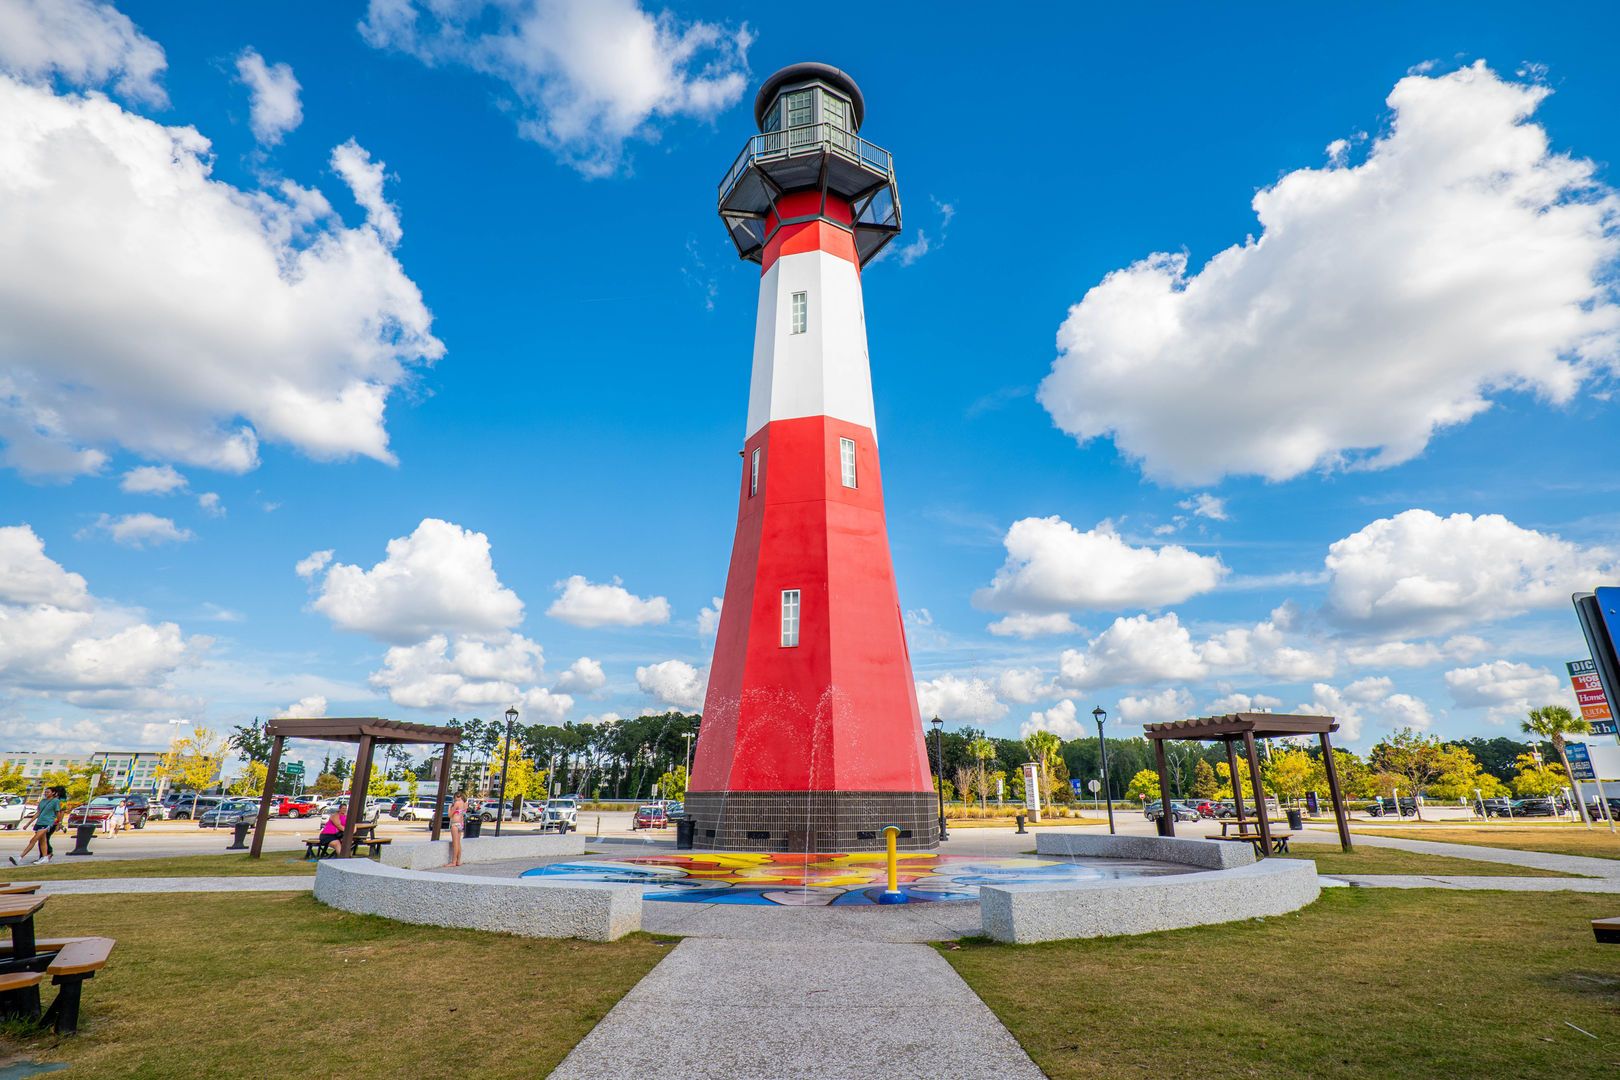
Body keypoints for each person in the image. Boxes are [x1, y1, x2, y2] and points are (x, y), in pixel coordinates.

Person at [10, 785, 65, 866]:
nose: (46, 793)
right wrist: (28, 823)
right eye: (45, 792)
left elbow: (58, 813)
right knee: (43, 841)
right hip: (39, 823)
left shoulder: (55, 801)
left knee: (33, 840)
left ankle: (19, 857)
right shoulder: (43, 801)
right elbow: (38, 813)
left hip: (47, 823)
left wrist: (59, 823)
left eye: (48, 792)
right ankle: (45, 857)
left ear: (53, 793)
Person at [448, 792, 467, 867]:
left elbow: (450, 815)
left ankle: (453, 861)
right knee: (458, 843)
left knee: (455, 843)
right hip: (461, 824)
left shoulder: (457, 803)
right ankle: (458, 861)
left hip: (455, 823)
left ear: (456, 797)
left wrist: (449, 808)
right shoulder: (464, 803)